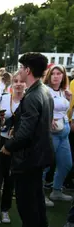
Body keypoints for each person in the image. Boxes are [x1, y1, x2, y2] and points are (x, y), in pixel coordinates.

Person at [1, 52, 54, 227]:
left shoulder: (33, 95)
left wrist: (8, 146)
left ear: (28, 70)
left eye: (21, 67)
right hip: (39, 154)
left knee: (26, 198)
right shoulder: (44, 91)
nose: (19, 71)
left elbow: (25, 134)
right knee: (36, 194)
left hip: (29, 156)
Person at [0, 71, 25, 224]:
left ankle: (5, 210)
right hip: (1, 142)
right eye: (16, 81)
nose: (18, 83)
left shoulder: (28, 101)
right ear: (12, 83)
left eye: (21, 81)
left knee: (10, 178)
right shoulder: (4, 98)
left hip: (18, 145)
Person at [43, 65, 73, 202]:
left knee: (66, 163)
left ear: (63, 76)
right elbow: (38, 108)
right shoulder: (45, 91)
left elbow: (65, 108)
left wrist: (69, 98)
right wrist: (47, 119)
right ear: (48, 76)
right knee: (45, 165)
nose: (55, 76)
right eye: (53, 73)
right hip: (51, 132)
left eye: (59, 73)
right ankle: (40, 195)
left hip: (64, 130)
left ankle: (56, 190)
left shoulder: (63, 91)